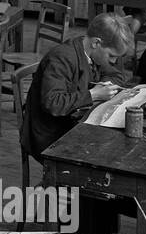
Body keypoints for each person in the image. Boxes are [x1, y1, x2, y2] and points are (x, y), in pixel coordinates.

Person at [22, 12, 133, 161]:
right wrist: (93, 95)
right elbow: (53, 103)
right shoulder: (61, 58)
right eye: (111, 56)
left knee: (119, 145)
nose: (113, 61)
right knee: (107, 156)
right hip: (50, 135)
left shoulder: (92, 53)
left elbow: (117, 76)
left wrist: (106, 85)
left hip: (73, 123)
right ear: (96, 43)